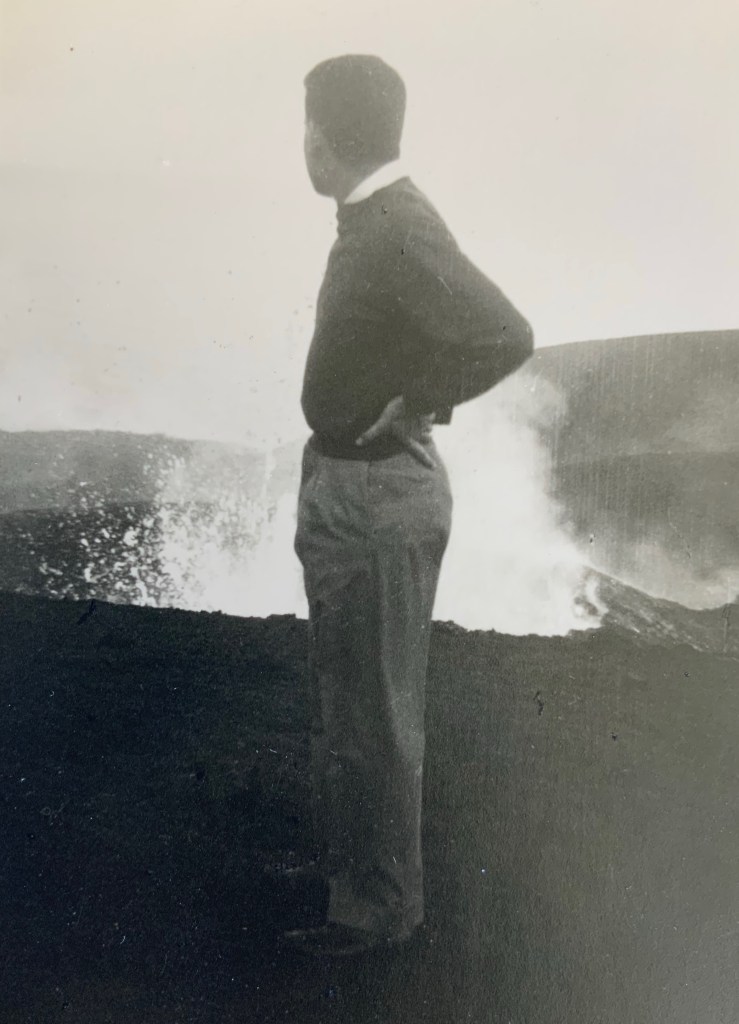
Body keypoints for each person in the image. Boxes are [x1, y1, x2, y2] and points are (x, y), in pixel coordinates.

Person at [284, 54, 534, 957]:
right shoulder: (376, 217)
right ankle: (356, 873)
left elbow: (504, 333)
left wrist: (417, 397)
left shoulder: (394, 224)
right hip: (354, 486)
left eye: (306, 125)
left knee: (374, 709)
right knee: (349, 694)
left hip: (377, 493)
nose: (302, 142)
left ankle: (377, 910)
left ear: (324, 136)